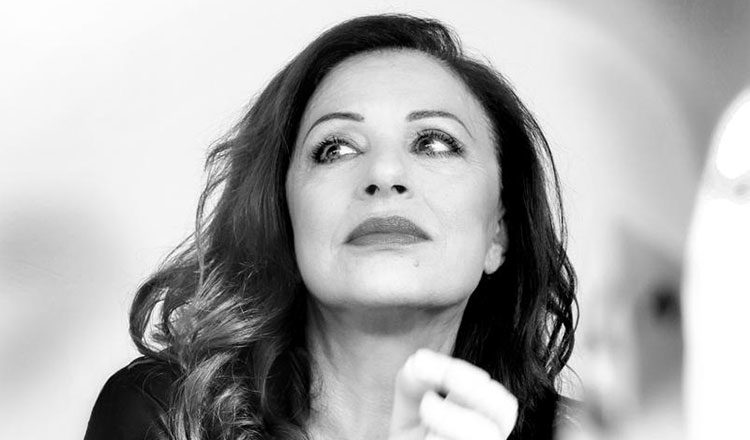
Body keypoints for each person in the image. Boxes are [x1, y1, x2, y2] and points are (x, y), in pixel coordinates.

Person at [84, 13, 578, 440]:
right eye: (335, 149)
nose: (384, 173)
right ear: (286, 217)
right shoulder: (164, 415)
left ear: (498, 232)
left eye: (434, 143)